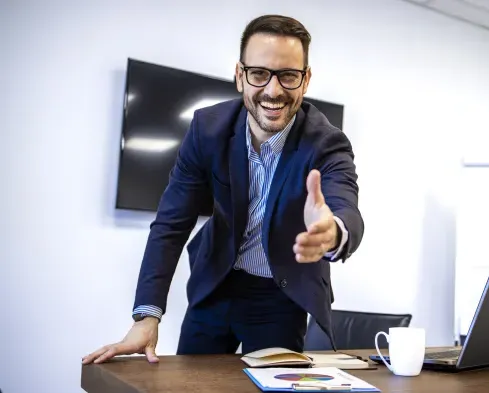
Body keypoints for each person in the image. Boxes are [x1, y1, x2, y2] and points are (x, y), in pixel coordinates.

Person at [82, 14, 364, 364]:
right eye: (259, 74)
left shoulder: (327, 143)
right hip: (215, 282)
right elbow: (171, 223)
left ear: (305, 81)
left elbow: (345, 207)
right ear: (239, 76)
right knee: (192, 385)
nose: (272, 91)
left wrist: (332, 233)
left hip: (280, 295)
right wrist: (147, 316)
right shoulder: (207, 129)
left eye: (288, 76)